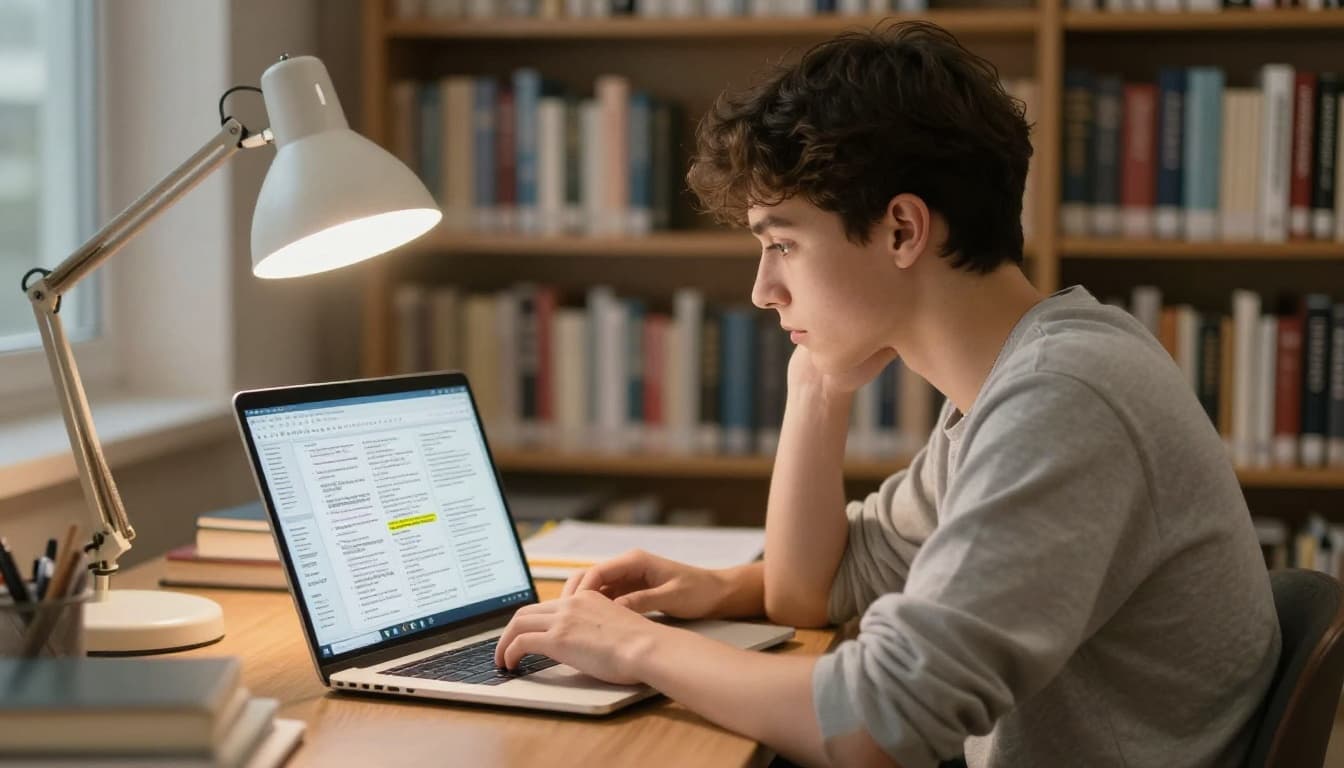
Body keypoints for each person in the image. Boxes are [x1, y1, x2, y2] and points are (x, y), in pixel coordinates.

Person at [494, 20, 1280, 768]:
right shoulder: (1015, 385)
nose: (764, 290)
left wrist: (631, 646)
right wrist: (815, 388)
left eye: (783, 245)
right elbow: (815, 591)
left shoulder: (1064, 400)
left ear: (903, 230)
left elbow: (875, 726)